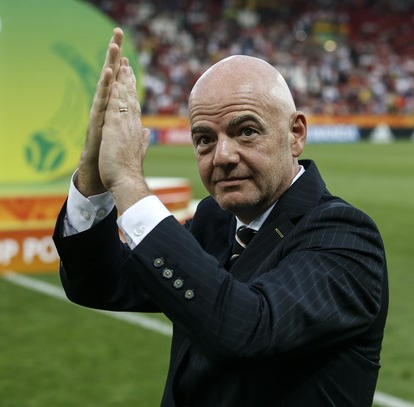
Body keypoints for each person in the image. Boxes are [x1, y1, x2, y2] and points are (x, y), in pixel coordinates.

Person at [53, 27, 388, 406]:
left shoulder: (345, 236)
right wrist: (92, 174)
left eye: (246, 131)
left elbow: (248, 331)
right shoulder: (215, 219)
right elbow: (100, 283)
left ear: (295, 134)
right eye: (204, 139)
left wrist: (130, 183)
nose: (222, 156)